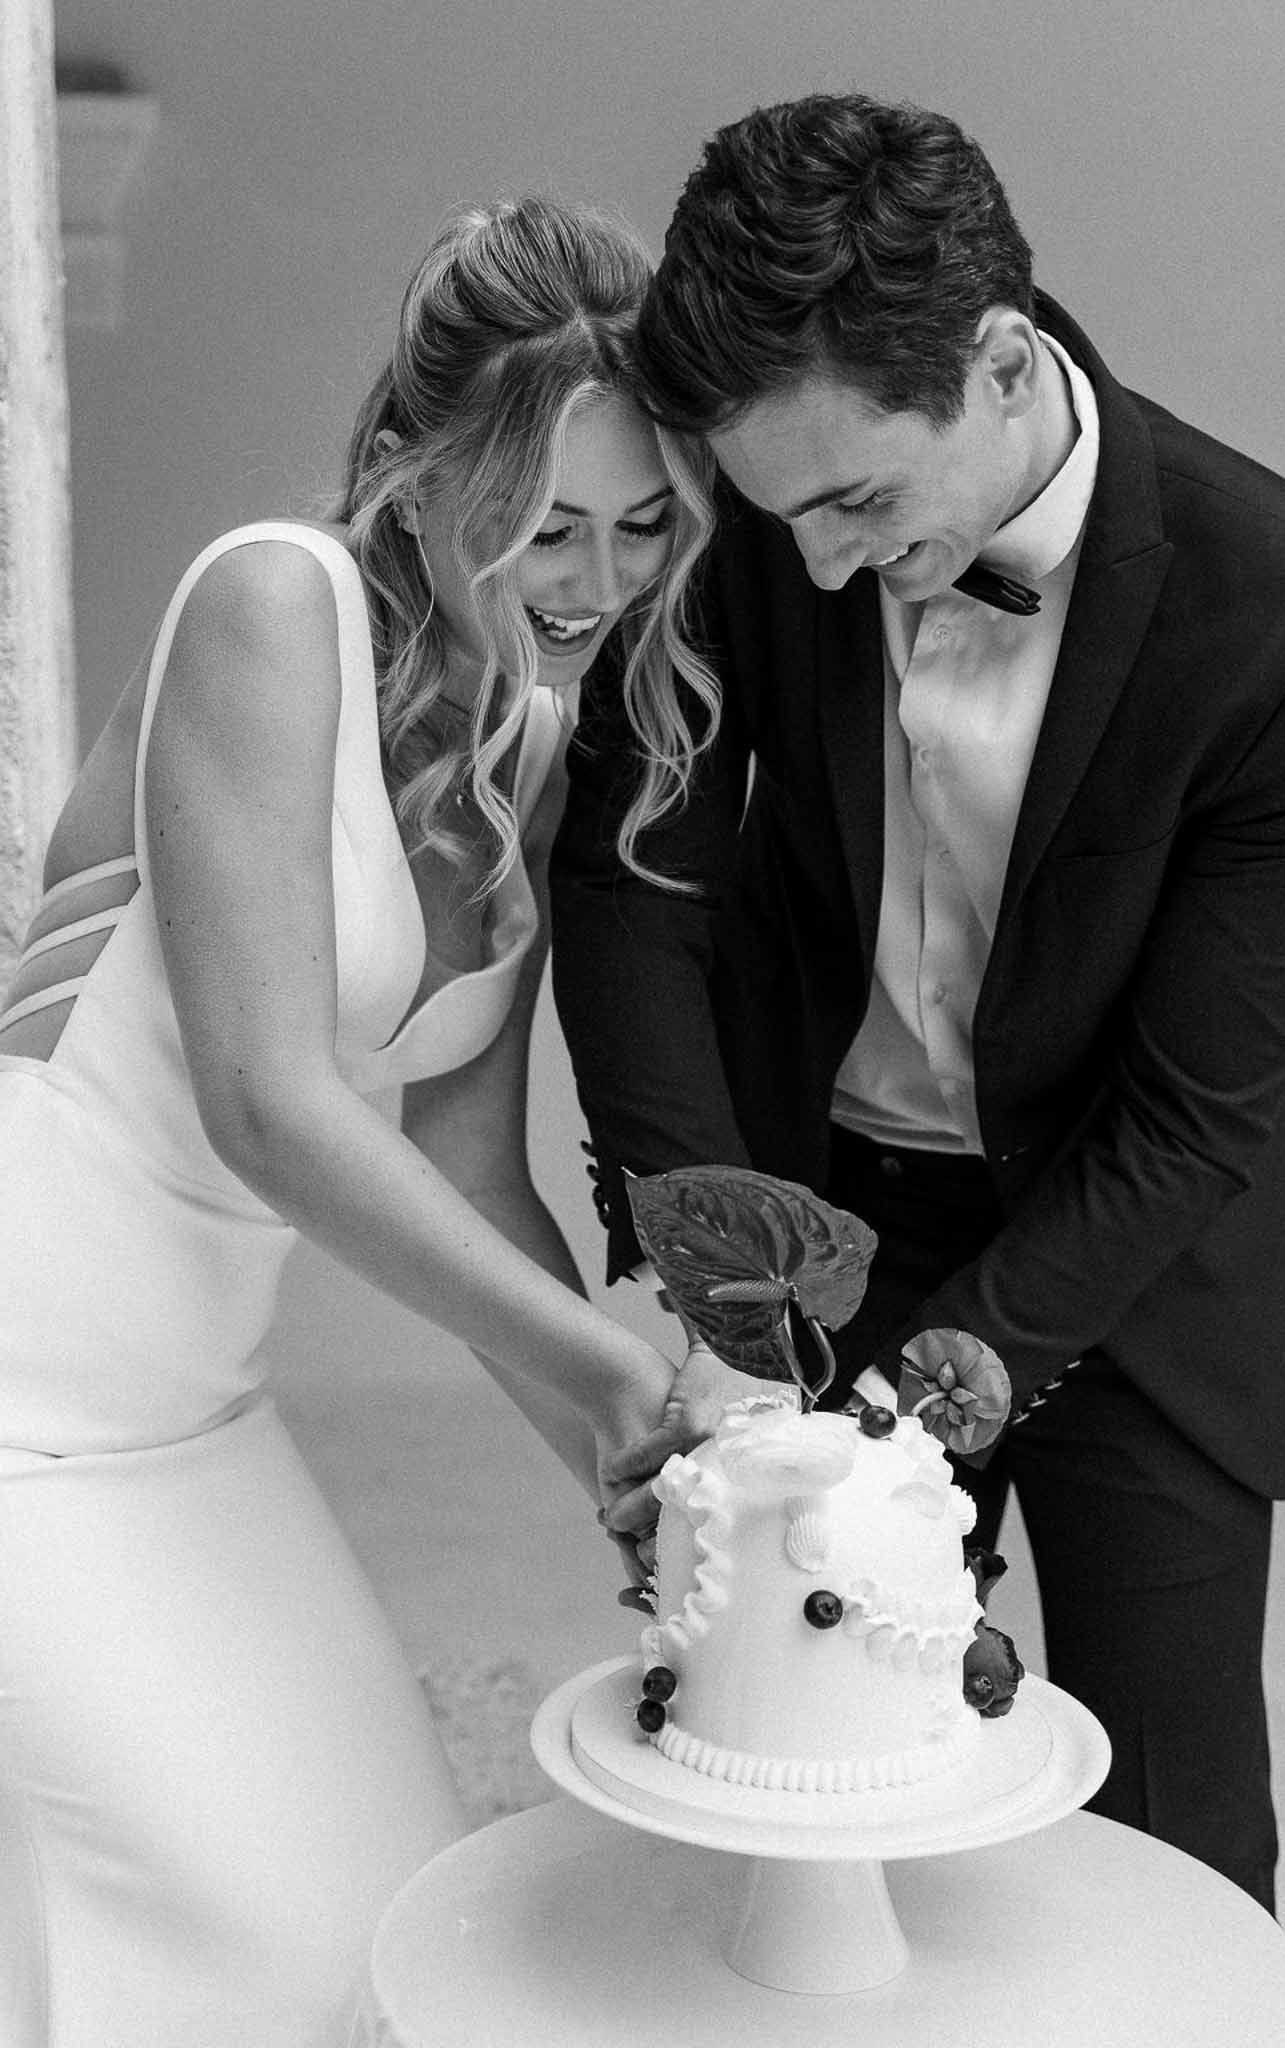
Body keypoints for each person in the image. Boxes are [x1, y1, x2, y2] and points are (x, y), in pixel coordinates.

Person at [0, 195, 730, 2047]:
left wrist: (639, 1480)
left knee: (392, 1915)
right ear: (426, 470)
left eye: (642, 525)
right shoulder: (270, 599)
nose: (595, 580)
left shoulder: (526, 740)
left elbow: (466, 1167)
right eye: (547, 523)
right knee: (248, 1945)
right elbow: (270, 1103)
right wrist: (619, 1379)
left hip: (196, 1414)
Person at [550, 93, 1285, 1911]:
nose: (811, 566)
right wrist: (729, 1290)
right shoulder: (755, 511)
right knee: (793, 1775)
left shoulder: (1265, 607)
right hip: (812, 1217)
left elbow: (1200, 1103)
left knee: (1169, 1830)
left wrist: (898, 1420)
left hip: (1133, 1262)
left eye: (859, 505)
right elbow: (635, 890)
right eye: (777, 514)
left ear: (1001, 364)